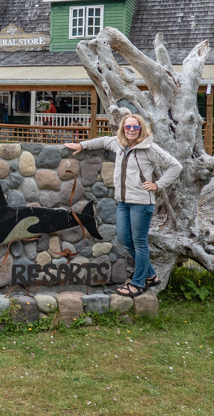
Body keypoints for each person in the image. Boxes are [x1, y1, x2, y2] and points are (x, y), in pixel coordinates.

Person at [64, 114, 182, 297]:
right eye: (128, 127)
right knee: (124, 239)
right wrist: (82, 145)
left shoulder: (149, 148)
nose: (131, 130)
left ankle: (138, 284)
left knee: (139, 243)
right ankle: (150, 275)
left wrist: (157, 185)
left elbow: (175, 166)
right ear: (123, 128)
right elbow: (103, 141)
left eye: (135, 127)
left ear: (141, 129)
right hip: (123, 202)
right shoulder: (118, 143)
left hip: (141, 203)